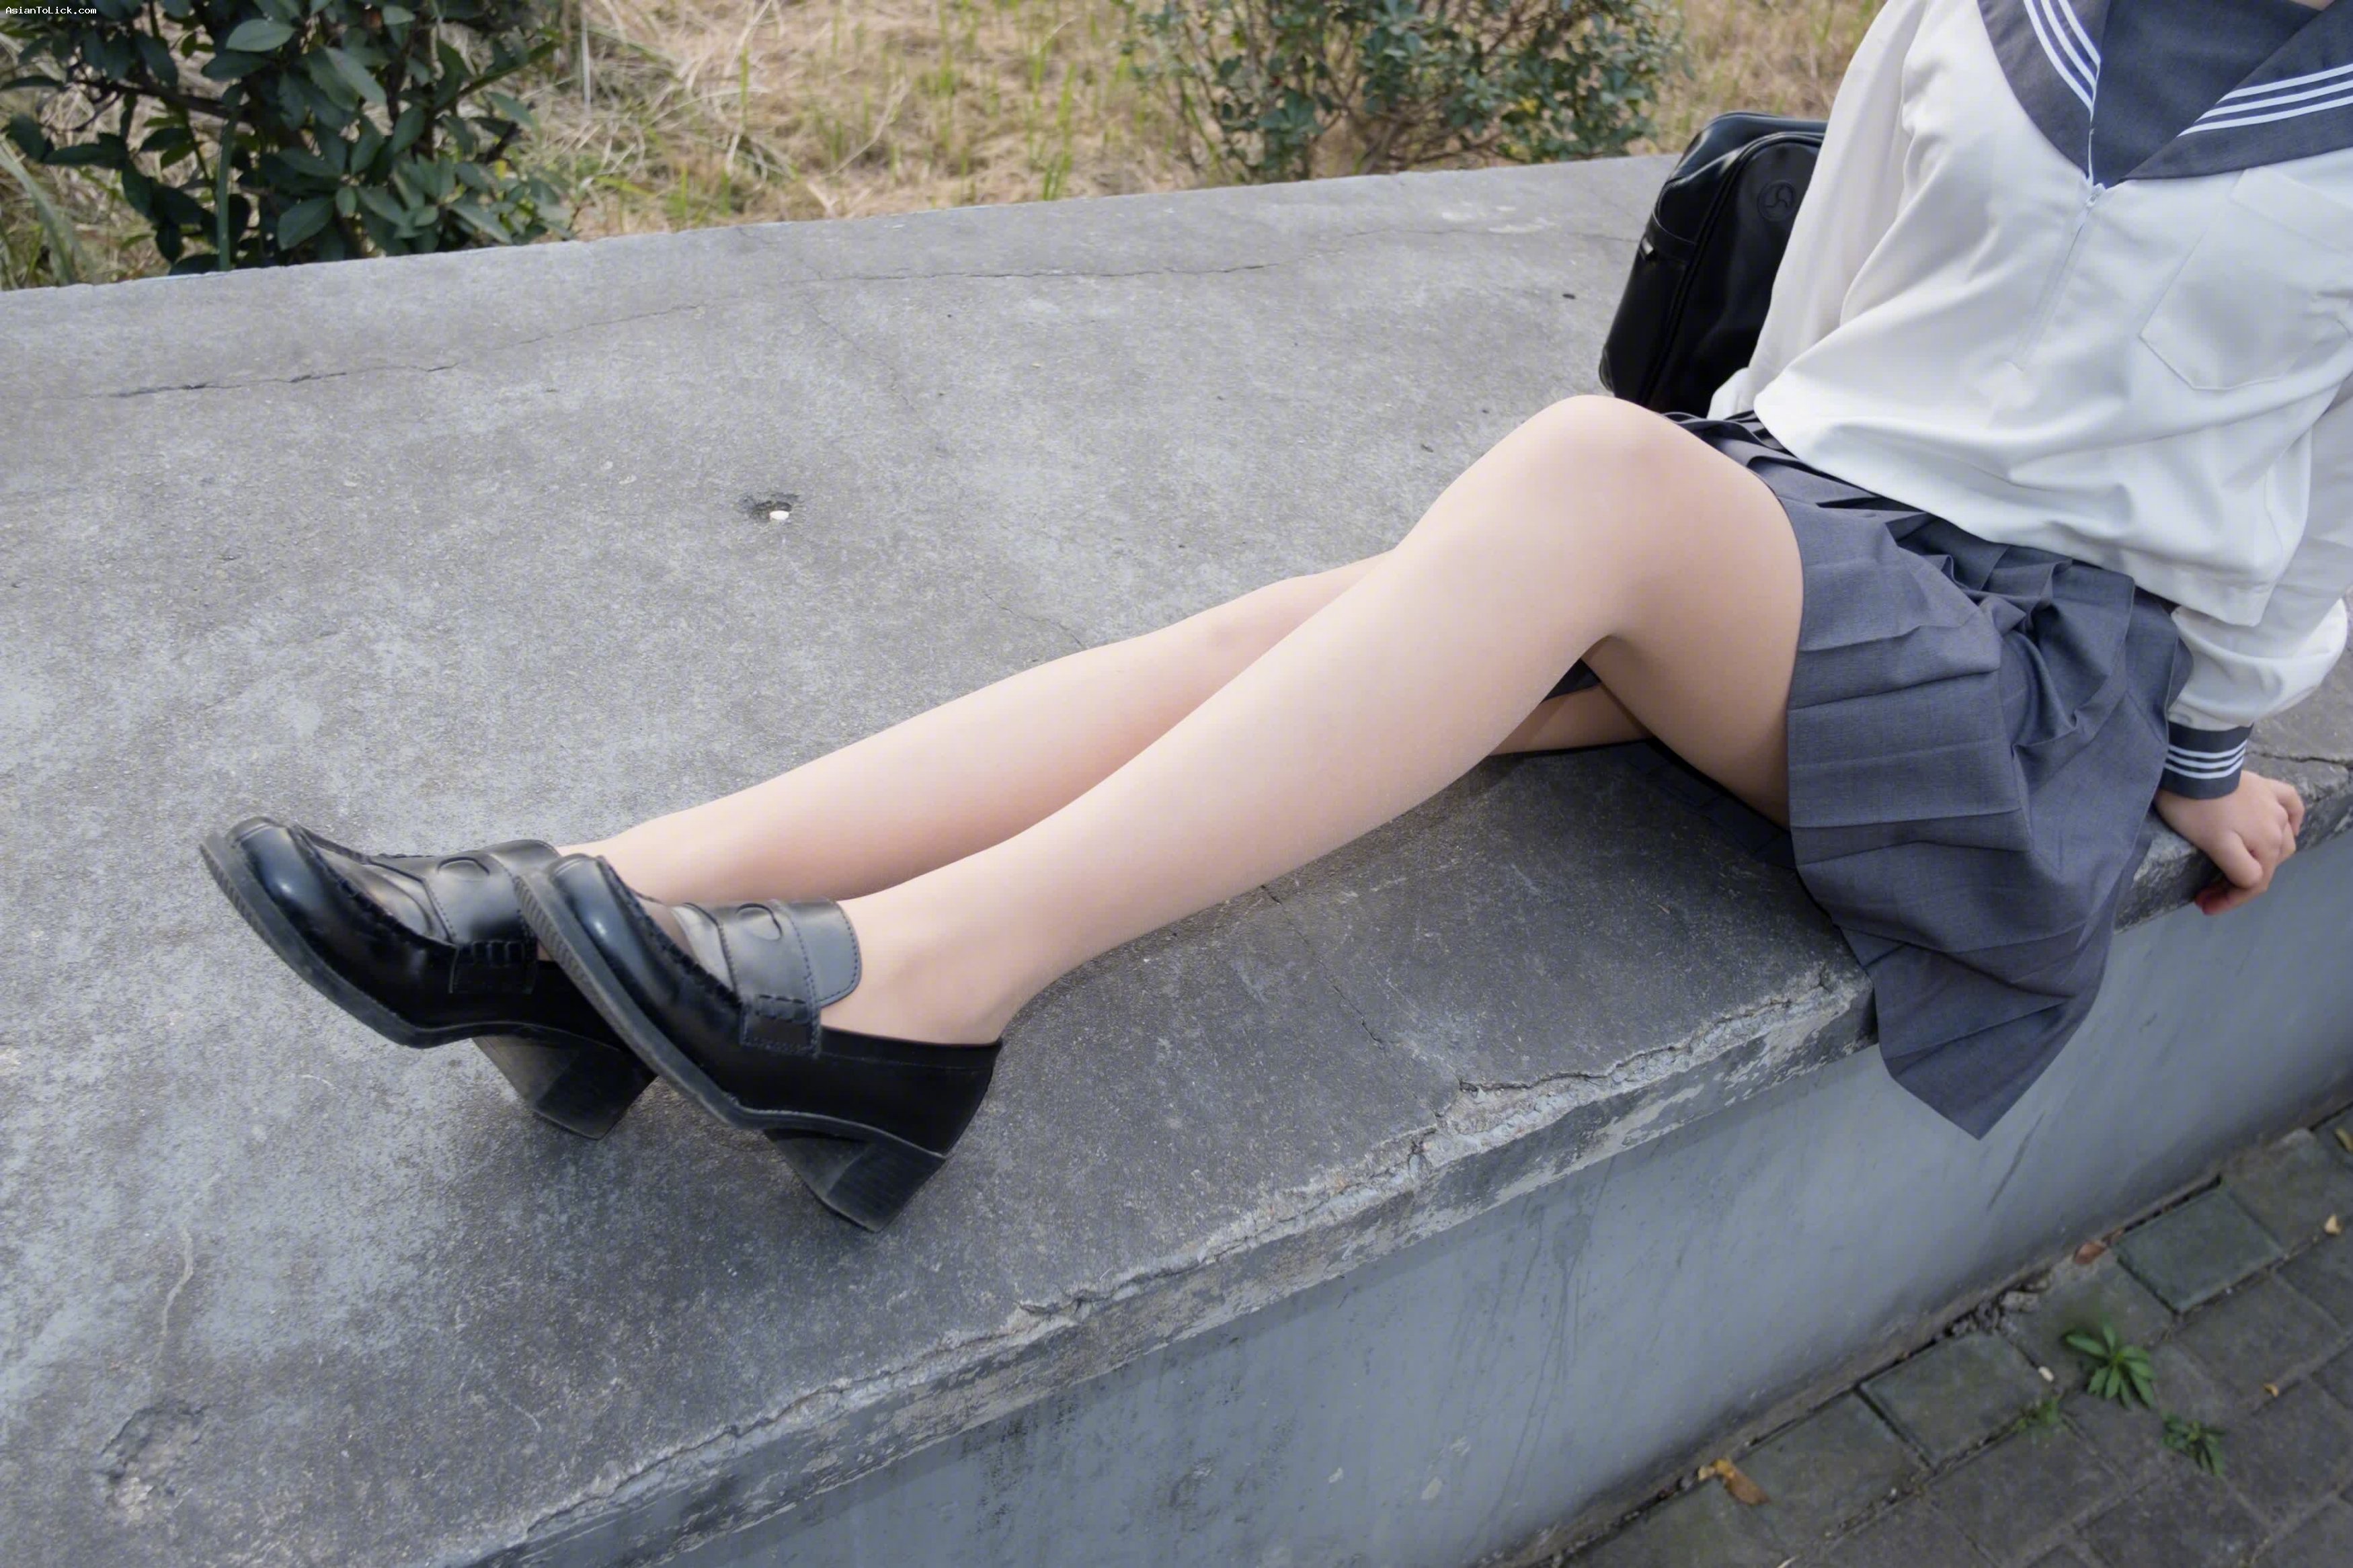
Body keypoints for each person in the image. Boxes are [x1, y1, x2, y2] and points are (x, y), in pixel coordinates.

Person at [202, 0, 2352, 1231]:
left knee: (1590, 479)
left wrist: (2201, 759)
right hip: (1814, 543)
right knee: (1298, 634)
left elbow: (2319, 505)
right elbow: (1814, 327)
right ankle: (573, 920)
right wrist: (1714, 561)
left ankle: (926, 991)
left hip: (2039, 680)